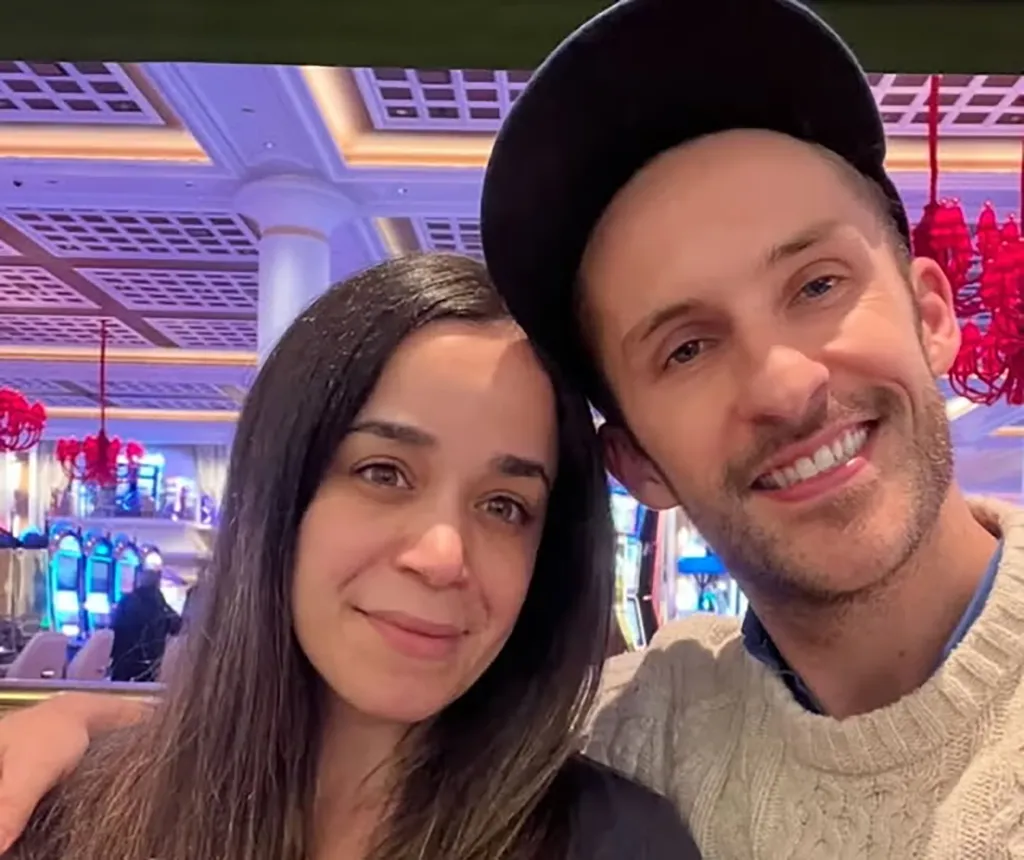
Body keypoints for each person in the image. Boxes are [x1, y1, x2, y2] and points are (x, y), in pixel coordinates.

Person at [1, 0, 1018, 856]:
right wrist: (82, 736)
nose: (786, 382)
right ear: (632, 460)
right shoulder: (651, 719)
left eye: (818, 282)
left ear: (934, 312)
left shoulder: (614, 815)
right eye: (686, 346)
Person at [0, 253, 698, 860]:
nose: (442, 554)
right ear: (283, 492)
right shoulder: (65, 815)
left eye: (504, 506)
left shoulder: (615, 842)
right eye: (384, 473)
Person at [108, 565, 182, 682]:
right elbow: (177, 626)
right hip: (150, 661)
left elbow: (113, 628)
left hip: (123, 660)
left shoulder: (126, 601)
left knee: (118, 689)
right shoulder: (160, 604)